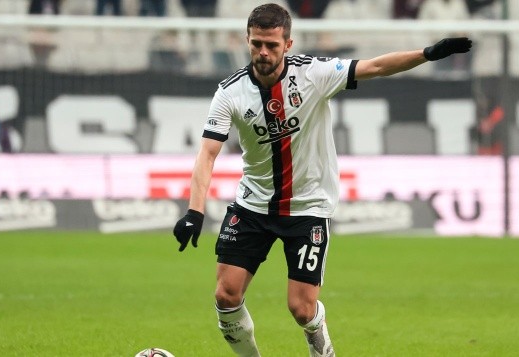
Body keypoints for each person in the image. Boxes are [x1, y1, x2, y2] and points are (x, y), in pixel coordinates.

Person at [172, 3, 471, 356]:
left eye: (271, 45)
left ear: (288, 44)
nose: (263, 52)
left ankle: (321, 346)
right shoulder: (230, 92)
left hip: (308, 206)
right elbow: (207, 154)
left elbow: (375, 66)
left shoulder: (313, 74)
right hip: (253, 205)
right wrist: (194, 211)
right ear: (247, 41)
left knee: (301, 308)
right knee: (226, 295)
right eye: (256, 44)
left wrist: (428, 54)